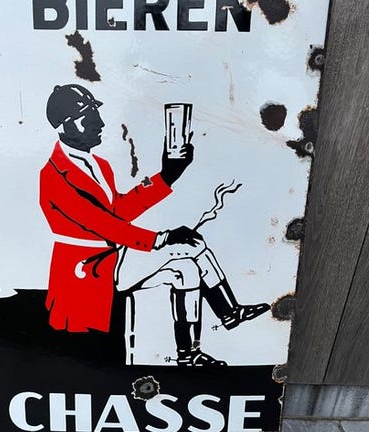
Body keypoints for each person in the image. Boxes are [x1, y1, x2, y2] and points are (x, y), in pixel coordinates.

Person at [40, 83, 269, 367]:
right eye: (89, 117)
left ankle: (190, 353)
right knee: (188, 247)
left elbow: (118, 211)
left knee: (186, 268)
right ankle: (228, 313)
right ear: (64, 125)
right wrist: (162, 238)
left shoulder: (99, 165)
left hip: (111, 258)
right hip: (88, 270)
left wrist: (167, 176)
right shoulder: (53, 175)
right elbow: (102, 225)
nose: (100, 124)